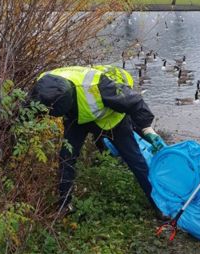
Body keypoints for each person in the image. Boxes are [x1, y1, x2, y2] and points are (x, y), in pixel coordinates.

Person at [27, 65, 166, 218]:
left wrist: (146, 129)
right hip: (77, 117)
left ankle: (158, 204)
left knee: (135, 160)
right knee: (66, 157)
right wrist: (4, 127)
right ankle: (64, 205)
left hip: (112, 120)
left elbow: (135, 101)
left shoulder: (99, 87)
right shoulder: (43, 86)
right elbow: (27, 109)